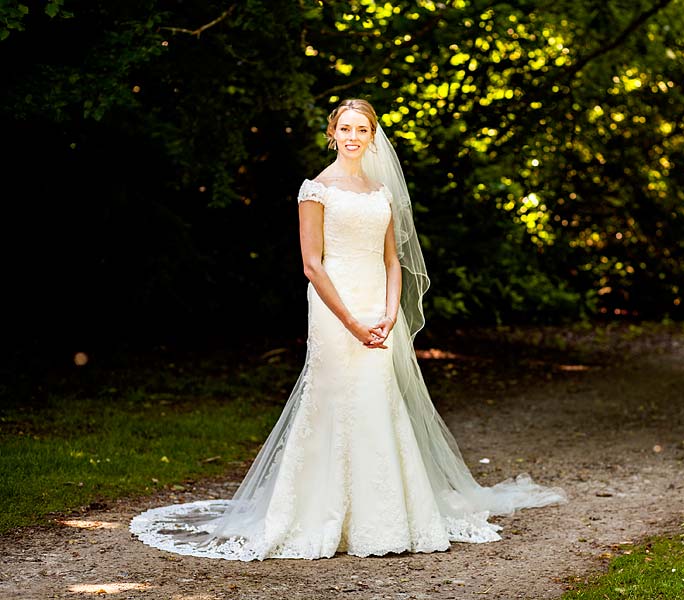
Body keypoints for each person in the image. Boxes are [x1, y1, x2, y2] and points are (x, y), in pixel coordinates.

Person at [130, 98, 566, 561]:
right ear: (332, 133)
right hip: (335, 307)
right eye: (346, 128)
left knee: (378, 399)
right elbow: (312, 265)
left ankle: (385, 517)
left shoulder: (381, 192)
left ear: (372, 136)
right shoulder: (315, 190)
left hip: (378, 307)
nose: (354, 137)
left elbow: (392, 259)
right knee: (335, 399)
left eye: (363, 129)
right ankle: (320, 513)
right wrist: (353, 322)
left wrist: (390, 311)